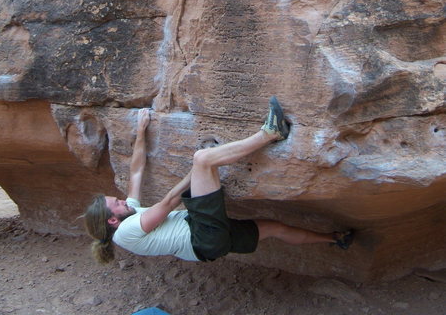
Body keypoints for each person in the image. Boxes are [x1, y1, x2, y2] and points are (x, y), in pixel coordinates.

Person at [84, 97, 354, 264]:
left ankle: (334, 238)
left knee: (274, 228)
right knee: (203, 159)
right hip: (202, 237)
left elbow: (136, 172)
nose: (121, 200)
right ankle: (271, 133)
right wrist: (194, 169)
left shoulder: (129, 214)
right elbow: (168, 202)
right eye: (116, 203)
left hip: (207, 242)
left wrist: (141, 131)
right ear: (112, 220)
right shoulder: (127, 232)